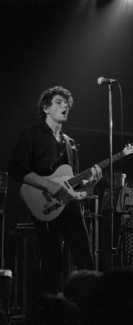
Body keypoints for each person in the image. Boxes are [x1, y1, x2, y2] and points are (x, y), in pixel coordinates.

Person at [8, 86, 102, 294]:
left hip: (68, 206)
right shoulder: (32, 134)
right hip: (43, 204)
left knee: (86, 260)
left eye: (66, 103)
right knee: (52, 264)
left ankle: (87, 310)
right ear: (45, 107)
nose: (65, 106)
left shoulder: (71, 143)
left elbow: (72, 180)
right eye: (59, 102)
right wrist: (49, 184)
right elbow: (15, 167)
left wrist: (88, 181)